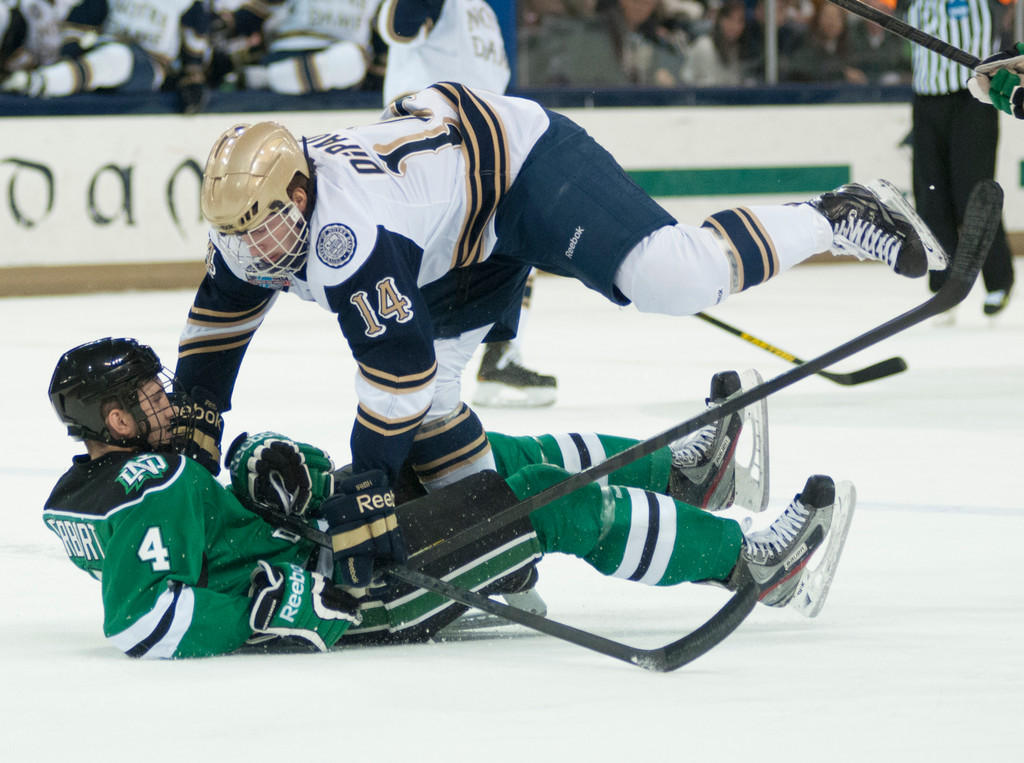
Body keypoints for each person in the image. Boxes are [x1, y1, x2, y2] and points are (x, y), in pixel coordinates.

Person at [175, 83, 945, 517]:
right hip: (456, 236)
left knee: (671, 278)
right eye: (236, 237)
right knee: (437, 418)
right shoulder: (259, 224)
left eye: (266, 230)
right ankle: (499, 554)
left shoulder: (343, 234)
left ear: (300, 191)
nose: (254, 253)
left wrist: (370, 475)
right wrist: (196, 420)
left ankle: (839, 214)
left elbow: (393, 367)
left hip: (521, 165)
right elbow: (218, 321)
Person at [45, 336, 854, 657]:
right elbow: (146, 619)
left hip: (329, 544)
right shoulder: (138, 489)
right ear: (110, 419)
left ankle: (684, 472)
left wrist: (268, 467)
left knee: (461, 451)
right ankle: (750, 564)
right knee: (541, 500)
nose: (167, 400)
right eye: (147, 396)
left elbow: (209, 527)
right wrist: (276, 606)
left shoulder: (124, 477)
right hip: (363, 592)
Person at [376, 0, 560, 407]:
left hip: (476, 145)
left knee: (513, 238)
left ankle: (498, 354)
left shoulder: (485, 14)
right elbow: (398, 28)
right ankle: (410, 367)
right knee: (436, 256)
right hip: (425, 142)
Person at [905, 0, 1015, 317]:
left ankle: (999, 280)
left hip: (973, 98)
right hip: (926, 97)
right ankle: (943, 285)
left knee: (974, 193)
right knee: (931, 193)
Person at [0, 0, 212, 114]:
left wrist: (192, 75)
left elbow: (195, 36)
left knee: (117, 57)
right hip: (101, 51)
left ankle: (35, 83)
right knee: (111, 55)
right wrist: (69, 53)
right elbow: (77, 26)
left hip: (151, 65)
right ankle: (38, 80)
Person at [230, 0, 379, 95]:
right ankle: (272, 78)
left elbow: (385, 33)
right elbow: (256, 11)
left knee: (352, 58)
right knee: (352, 59)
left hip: (344, 64)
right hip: (292, 49)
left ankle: (266, 78)